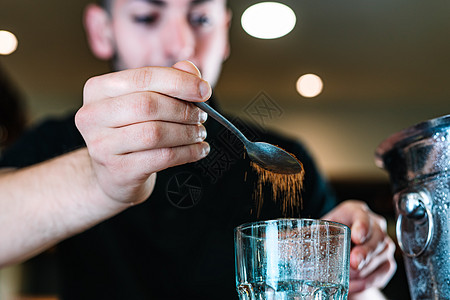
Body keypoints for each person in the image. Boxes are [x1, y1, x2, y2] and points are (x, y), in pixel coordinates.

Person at [0, 0, 396, 299]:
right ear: (102, 30)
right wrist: (98, 180)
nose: (182, 44)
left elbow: (355, 287)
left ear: (225, 32)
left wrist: (357, 266)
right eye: (146, 17)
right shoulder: (58, 139)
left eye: (201, 18)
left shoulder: (283, 160)